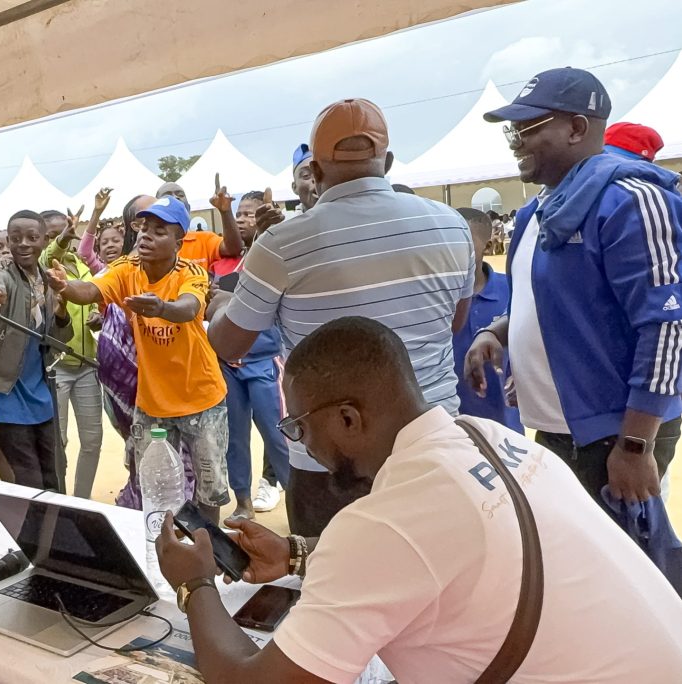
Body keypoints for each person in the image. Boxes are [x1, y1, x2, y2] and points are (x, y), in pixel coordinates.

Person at [156, 316, 682, 683]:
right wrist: (297, 554)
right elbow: (439, 554)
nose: (301, 443)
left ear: (347, 418)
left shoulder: (382, 523)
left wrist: (195, 584)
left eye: (298, 426)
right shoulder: (487, 436)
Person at [208, 98, 474, 537]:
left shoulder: (282, 243)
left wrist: (221, 305)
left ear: (314, 170)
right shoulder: (450, 225)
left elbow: (229, 344)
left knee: (325, 570)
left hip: (329, 463)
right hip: (433, 443)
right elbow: (454, 323)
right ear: (388, 161)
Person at [468, 67, 682, 509]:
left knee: (624, 549)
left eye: (528, 128)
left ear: (577, 128)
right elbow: (551, 300)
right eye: (513, 130)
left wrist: (636, 444)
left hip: (615, 432)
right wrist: (498, 331)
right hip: (557, 427)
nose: (515, 142)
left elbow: (666, 326)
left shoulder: (629, 201)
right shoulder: (537, 212)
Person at [49, 196, 230, 524]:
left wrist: (162, 308)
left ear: (179, 242)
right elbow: (89, 291)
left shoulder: (191, 272)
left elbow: (189, 307)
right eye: (144, 228)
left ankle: (207, 549)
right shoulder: (125, 269)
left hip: (201, 399)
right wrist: (64, 286)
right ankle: (161, 546)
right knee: (155, 489)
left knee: (209, 491)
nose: (146, 235)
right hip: (153, 404)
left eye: (159, 231)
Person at [0, 211, 73, 490]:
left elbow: (58, 339)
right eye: (15, 238)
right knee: (29, 478)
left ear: (45, 240)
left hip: (39, 389)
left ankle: (56, 519)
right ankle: (32, 520)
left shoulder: (50, 280)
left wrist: (62, 311)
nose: (23, 244)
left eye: (32, 237)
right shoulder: (3, 274)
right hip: (4, 389)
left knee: (53, 474)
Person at [210, 190, 291, 519]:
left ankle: (299, 503)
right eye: (239, 214)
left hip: (264, 361)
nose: (243, 219)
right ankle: (243, 501)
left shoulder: (274, 254)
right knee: (234, 436)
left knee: (278, 435)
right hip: (228, 364)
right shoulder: (222, 259)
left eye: (250, 214)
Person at [41, 202, 103, 498]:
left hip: (87, 364)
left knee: (92, 440)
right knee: (59, 441)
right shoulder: (43, 265)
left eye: (67, 232)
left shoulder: (83, 265)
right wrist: (63, 237)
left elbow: (94, 298)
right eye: (54, 234)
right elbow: (50, 253)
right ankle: (60, 500)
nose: (64, 238)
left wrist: (97, 314)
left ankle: (82, 501)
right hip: (58, 367)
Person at [452, 208, 521, 431]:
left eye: (465, 244)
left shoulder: (513, 289)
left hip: (507, 424)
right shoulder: (437, 297)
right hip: (452, 422)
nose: (453, 251)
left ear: (488, 246)